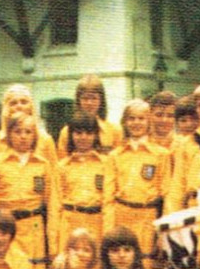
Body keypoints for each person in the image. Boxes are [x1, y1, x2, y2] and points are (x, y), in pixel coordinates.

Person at [0, 113, 53, 269]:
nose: (23, 137)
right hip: (6, 229)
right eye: (17, 132)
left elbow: (51, 202)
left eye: (28, 132)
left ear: (35, 135)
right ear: (9, 134)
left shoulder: (43, 165)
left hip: (33, 228)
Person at [109, 99, 169, 258]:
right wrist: (109, 228)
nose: (136, 123)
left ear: (149, 122)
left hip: (148, 218)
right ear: (125, 122)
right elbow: (108, 197)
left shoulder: (161, 154)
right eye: (131, 118)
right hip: (121, 216)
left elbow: (167, 195)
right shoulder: (115, 155)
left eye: (141, 118)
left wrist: (164, 231)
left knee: (145, 263)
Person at [52, 114, 116, 259]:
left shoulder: (106, 164)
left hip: (96, 222)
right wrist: (53, 242)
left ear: (95, 136)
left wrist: (108, 233)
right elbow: (55, 206)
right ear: (71, 135)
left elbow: (108, 202)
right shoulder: (62, 166)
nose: (83, 137)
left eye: (88, 133)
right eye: (78, 133)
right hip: (70, 222)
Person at [57, 74, 122, 156]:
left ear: (101, 100)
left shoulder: (115, 131)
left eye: (94, 98)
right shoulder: (66, 132)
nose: (89, 103)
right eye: (85, 98)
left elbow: (119, 162)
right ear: (78, 100)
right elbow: (62, 162)